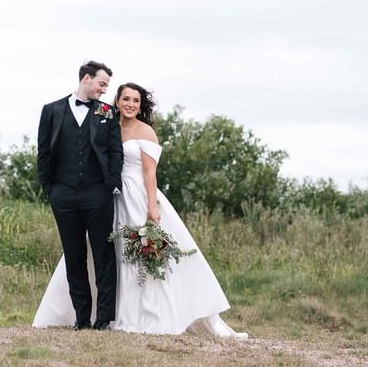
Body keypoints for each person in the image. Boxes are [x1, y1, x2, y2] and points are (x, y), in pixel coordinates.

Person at [33, 81, 247, 338]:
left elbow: (149, 173)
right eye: (125, 99)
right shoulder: (106, 125)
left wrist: (151, 208)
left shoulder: (146, 132)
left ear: (140, 104)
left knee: (138, 255)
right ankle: (95, 313)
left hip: (137, 196)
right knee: (101, 254)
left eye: (135, 100)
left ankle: (145, 313)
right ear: (117, 101)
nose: (130, 105)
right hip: (106, 197)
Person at [35, 60, 123, 331]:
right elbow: (44, 153)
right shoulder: (51, 111)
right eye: (102, 83)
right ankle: (81, 318)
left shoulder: (107, 112)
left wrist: (111, 183)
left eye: (106, 85)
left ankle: (104, 317)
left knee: (103, 255)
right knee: (74, 257)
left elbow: (115, 150)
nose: (104, 90)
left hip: (98, 193)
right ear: (86, 78)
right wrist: (50, 189)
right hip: (63, 195)